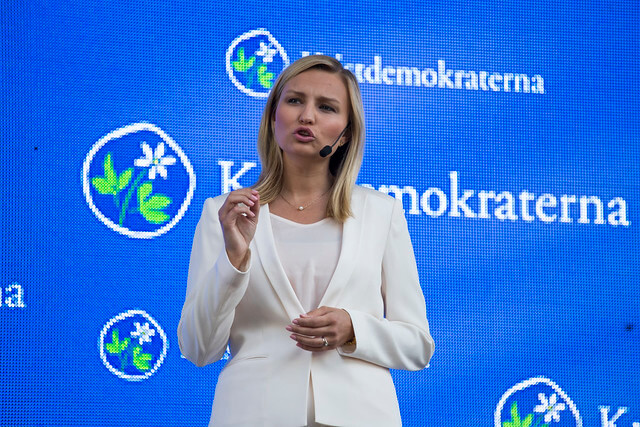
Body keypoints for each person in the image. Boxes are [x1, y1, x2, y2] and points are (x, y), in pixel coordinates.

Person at [178, 55, 434, 427]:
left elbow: (417, 346)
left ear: (346, 133)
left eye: (326, 107)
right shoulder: (223, 212)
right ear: (272, 116)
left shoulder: (381, 213)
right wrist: (234, 259)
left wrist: (352, 328)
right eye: (295, 101)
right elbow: (199, 348)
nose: (307, 116)